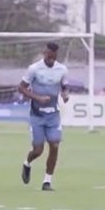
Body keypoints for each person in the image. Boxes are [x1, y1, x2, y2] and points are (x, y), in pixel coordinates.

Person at [19, 42, 69, 191]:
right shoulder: (34, 69)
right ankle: (27, 162)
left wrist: (65, 94)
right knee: (38, 150)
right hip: (37, 115)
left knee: (54, 145)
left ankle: (47, 181)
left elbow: (64, 86)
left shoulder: (62, 69)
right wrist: (37, 98)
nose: (51, 60)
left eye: (53, 58)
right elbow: (21, 87)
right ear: (44, 53)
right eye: (49, 57)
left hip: (53, 115)